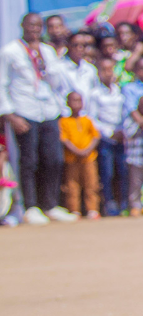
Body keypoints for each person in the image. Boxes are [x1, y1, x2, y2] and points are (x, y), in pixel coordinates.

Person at [3, 13, 78, 225]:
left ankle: (50, 205)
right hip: (24, 111)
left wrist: (44, 61)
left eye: (38, 25)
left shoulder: (47, 51)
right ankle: (30, 206)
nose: (35, 29)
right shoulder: (10, 51)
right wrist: (9, 114)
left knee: (53, 159)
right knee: (29, 161)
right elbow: (2, 83)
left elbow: (55, 81)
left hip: (48, 111)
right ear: (22, 26)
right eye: (31, 25)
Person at [90, 57, 128, 216]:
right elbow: (92, 118)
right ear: (98, 73)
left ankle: (124, 202)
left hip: (121, 137)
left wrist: (122, 131)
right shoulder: (95, 93)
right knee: (107, 172)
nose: (108, 73)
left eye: (110, 70)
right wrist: (109, 133)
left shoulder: (120, 91)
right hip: (106, 138)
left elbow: (126, 113)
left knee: (124, 171)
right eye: (104, 70)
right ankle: (109, 203)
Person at [59, 91, 101, 219]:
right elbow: (64, 139)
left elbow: (95, 137)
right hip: (72, 158)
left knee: (91, 184)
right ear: (67, 103)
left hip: (89, 158)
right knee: (72, 185)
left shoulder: (87, 120)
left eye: (79, 100)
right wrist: (77, 151)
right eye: (73, 100)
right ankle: (74, 210)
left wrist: (87, 150)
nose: (76, 103)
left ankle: (92, 209)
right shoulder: (64, 121)